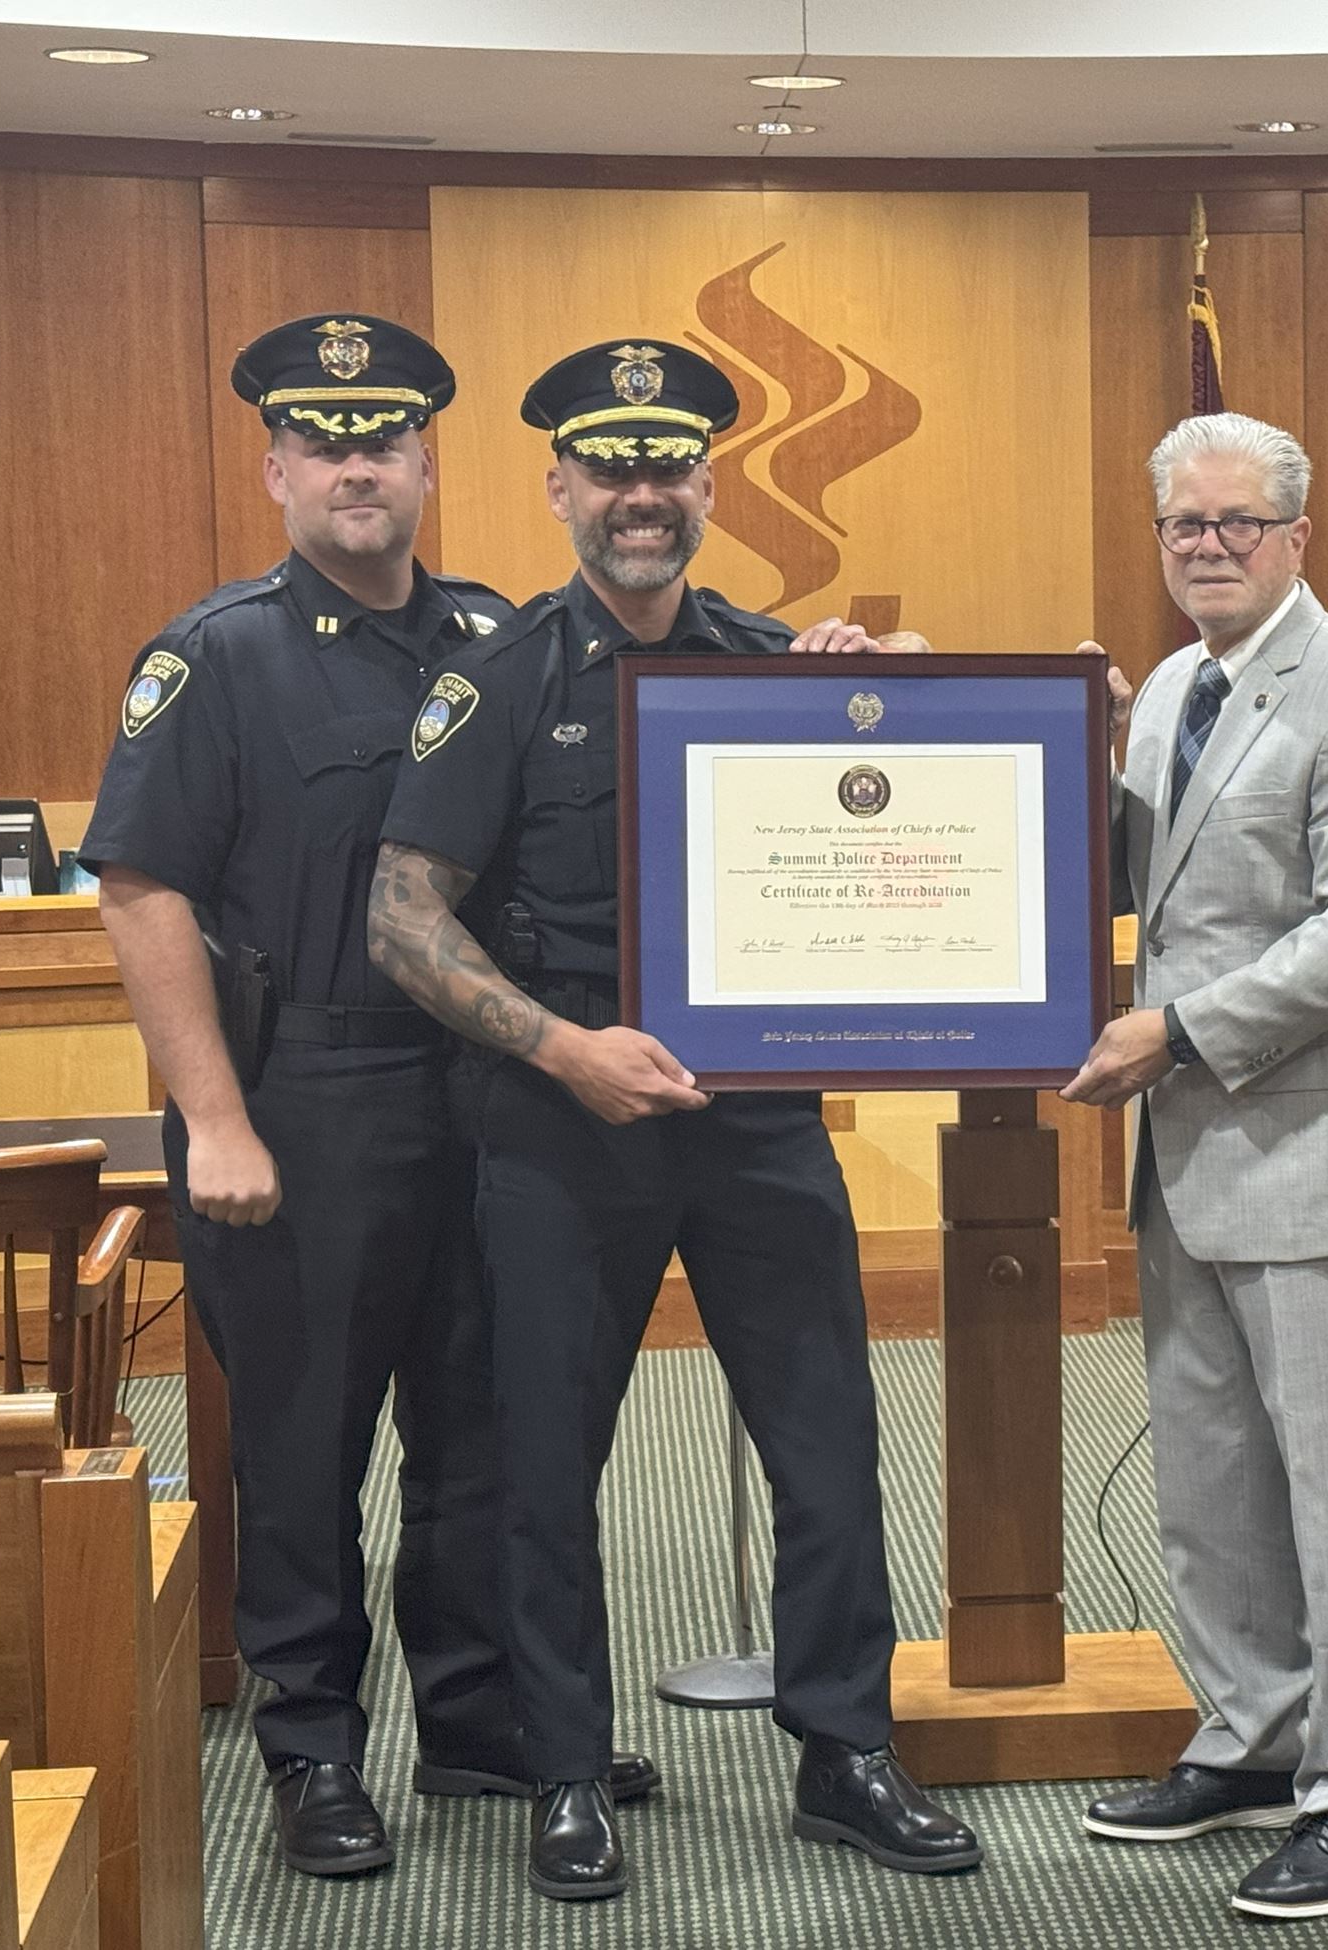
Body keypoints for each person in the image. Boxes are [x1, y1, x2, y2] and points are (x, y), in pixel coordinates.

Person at [368, 339, 979, 1902]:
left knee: (831, 1439)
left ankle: (845, 1747)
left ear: (710, 487)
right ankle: (568, 1767)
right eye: (610, 467)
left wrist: (887, 716)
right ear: (560, 485)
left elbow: (888, 838)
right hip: (563, 1120)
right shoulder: (497, 679)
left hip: (756, 1116)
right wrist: (568, 1050)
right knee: (546, 1454)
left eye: (669, 468)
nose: (641, 496)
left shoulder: (776, 660)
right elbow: (405, 921)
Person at [79, 313, 563, 1880]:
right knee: (304, 1439)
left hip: (481, 1090)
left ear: (429, 460)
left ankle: (479, 1715)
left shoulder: (500, 635)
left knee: (481, 1417)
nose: (359, 465)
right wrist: (212, 1116)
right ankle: (313, 1745)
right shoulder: (215, 653)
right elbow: (141, 890)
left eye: (387, 440)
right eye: (326, 441)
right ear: (279, 464)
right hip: (303, 1095)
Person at [1062, 412, 1328, 1922]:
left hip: (1309, 1139)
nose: (1207, 546)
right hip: (1189, 1150)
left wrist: (1180, 1032)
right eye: (1183, 527)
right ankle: (1251, 1729)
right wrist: (1075, 748)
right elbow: (1157, 883)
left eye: (1235, 522)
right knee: (1213, 1474)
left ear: (1298, 534)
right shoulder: (1169, 687)